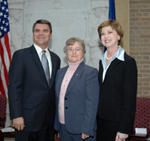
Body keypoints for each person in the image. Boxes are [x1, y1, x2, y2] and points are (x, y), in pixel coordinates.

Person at [8, 19, 61, 141]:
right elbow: (14, 88)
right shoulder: (21, 55)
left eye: (45, 31)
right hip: (26, 120)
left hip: (48, 122)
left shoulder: (56, 59)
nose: (41, 34)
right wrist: (16, 116)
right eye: (37, 30)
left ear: (50, 35)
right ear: (33, 34)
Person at [96, 19, 137, 141]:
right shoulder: (101, 61)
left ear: (119, 35)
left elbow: (129, 100)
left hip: (117, 123)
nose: (106, 36)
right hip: (100, 121)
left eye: (110, 32)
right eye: (102, 34)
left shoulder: (128, 62)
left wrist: (124, 128)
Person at [54, 37, 99, 141]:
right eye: (70, 49)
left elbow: (92, 103)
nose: (74, 52)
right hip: (63, 127)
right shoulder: (60, 72)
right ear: (66, 52)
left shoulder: (90, 72)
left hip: (81, 129)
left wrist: (87, 128)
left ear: (83, 52)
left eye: (78, 49)